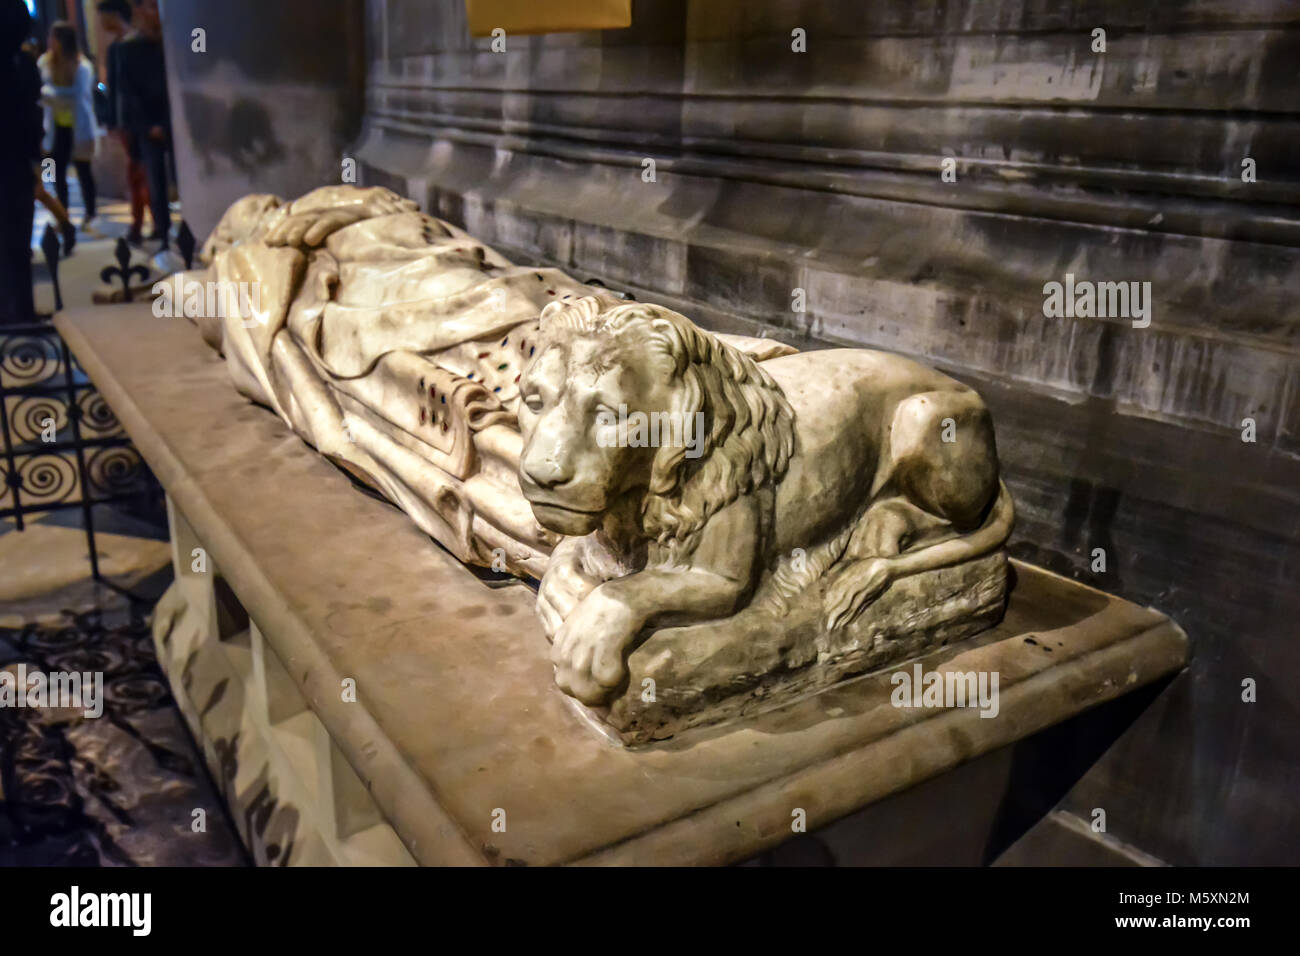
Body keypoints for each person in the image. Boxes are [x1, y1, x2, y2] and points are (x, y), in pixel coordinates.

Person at [114, 0, 172, 248]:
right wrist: (149, 126)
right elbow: (129, 94)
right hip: (148, 126)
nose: (155, 12)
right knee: (155, 182)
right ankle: (163, 234)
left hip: (174, 122)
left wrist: (169, 122)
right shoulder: (129, 48)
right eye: (150, 6)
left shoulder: (173, 40)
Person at [1, 0, 43, 324]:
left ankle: (12, 308)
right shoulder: (24, 65)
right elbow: (31, 116)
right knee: (18, 243)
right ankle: (22, 309)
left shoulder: (23, 65)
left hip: (15, 160)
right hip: (17, 162)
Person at [38, 21, 99, 237]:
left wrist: (51, 95)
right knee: (57, 172)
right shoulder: (45, 62)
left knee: (84, 171)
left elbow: (77, 95)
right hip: (56, 127)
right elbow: (42, 91)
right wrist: (53, 96)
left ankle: (91, 214)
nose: (49, 42)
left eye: (52, 38)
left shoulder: (81, 65)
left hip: (78, 126)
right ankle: (63, 215)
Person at [98, 0, 148, 245]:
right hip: (125, 120)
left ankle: (142, 223)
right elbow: (113, 88)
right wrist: (112, 118)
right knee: (135, 173)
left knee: (141, 173)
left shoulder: (134, 44)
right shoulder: (116, 46)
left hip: (139, 120)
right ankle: (139, 222)